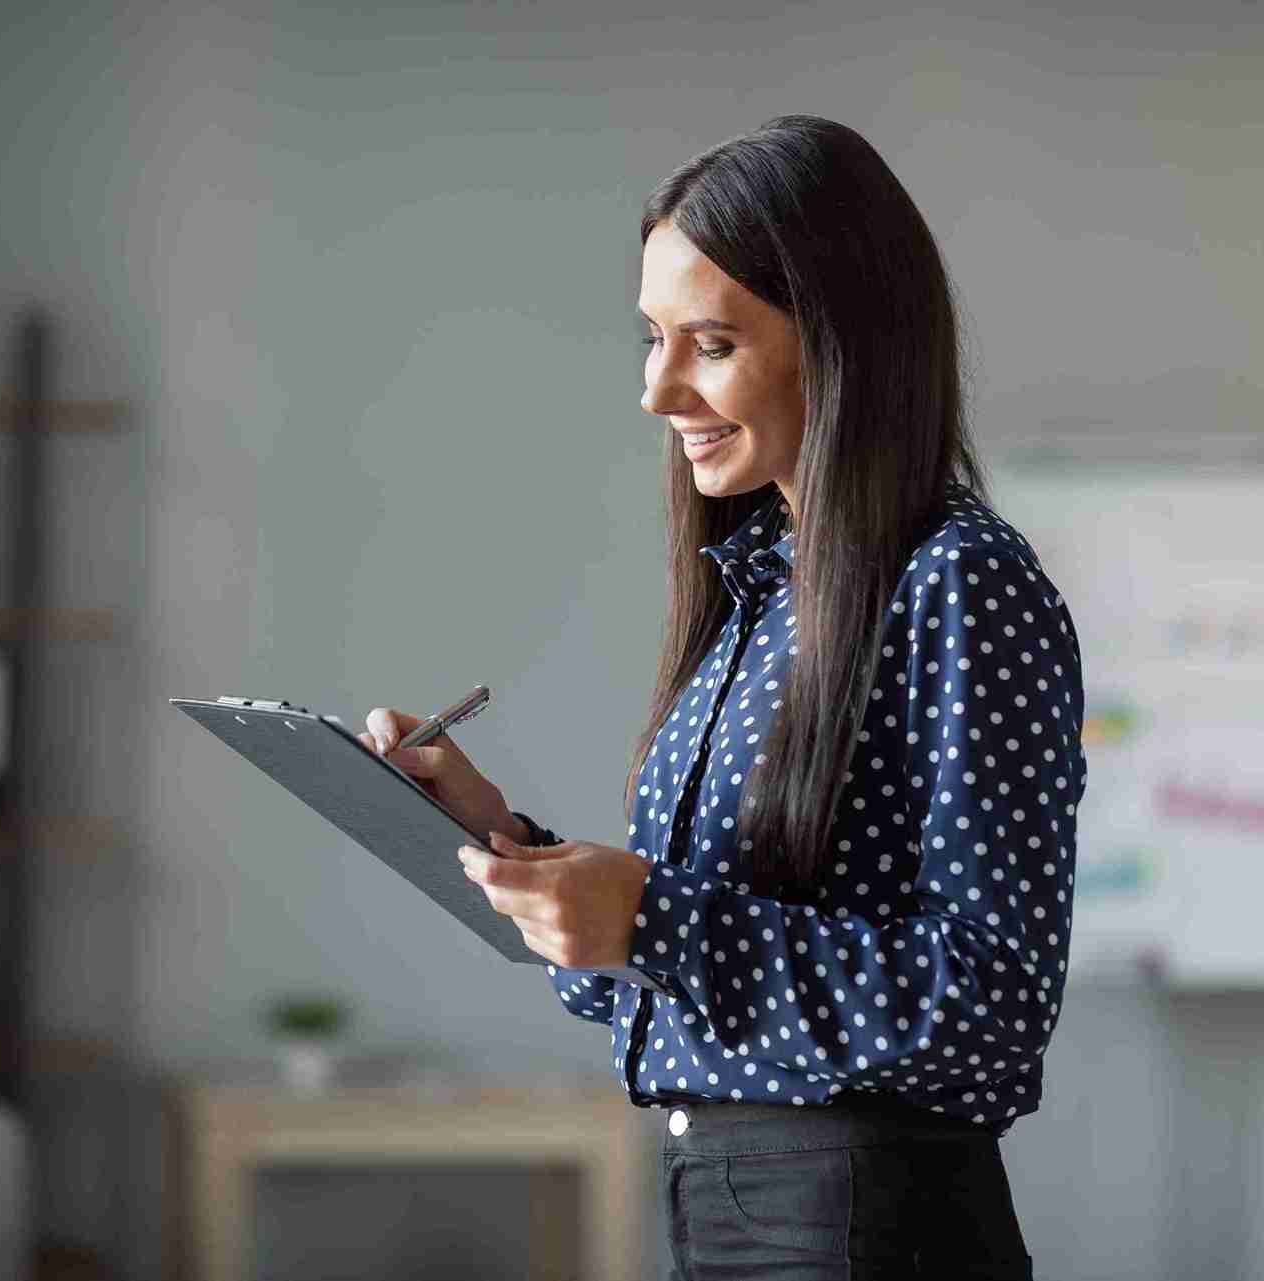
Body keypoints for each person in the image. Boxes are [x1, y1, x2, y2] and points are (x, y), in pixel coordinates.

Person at [359, 113, 1086, 1281]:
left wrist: (649, 916)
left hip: (860, 1227)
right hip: (729, 1208)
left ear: (841, 344)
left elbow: (986, 1010)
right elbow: (673, 986)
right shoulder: (755, 594)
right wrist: (496, 834)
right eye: (649, 337)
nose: (656, 390)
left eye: (707, 343)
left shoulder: (959, 583)